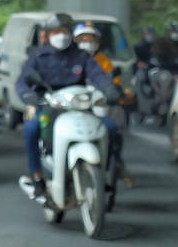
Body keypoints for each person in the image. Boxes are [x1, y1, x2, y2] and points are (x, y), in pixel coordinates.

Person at [15, 13, 121, 201]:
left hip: (79, 107)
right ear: (48, 34)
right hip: (49, 107)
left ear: (71, 33)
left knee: (110, 128)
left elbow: (99, 76)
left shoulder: (82, 56)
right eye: (57, 31)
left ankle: (104, 174)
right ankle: (38, 177)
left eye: (65, 31)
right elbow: (22, 81)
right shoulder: (38, 56)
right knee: (31, 129)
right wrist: (27, 95)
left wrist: (110, 91)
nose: (61, 35)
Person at [74, 23, 134, 187]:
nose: (87, 42)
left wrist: (119, 91)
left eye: (90, 39)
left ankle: (117, 162)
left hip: (99, 102)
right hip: (74, 103)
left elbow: (112, 83)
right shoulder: (69, 59)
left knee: (114, 125)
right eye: (83, 39)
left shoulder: (103, 61)